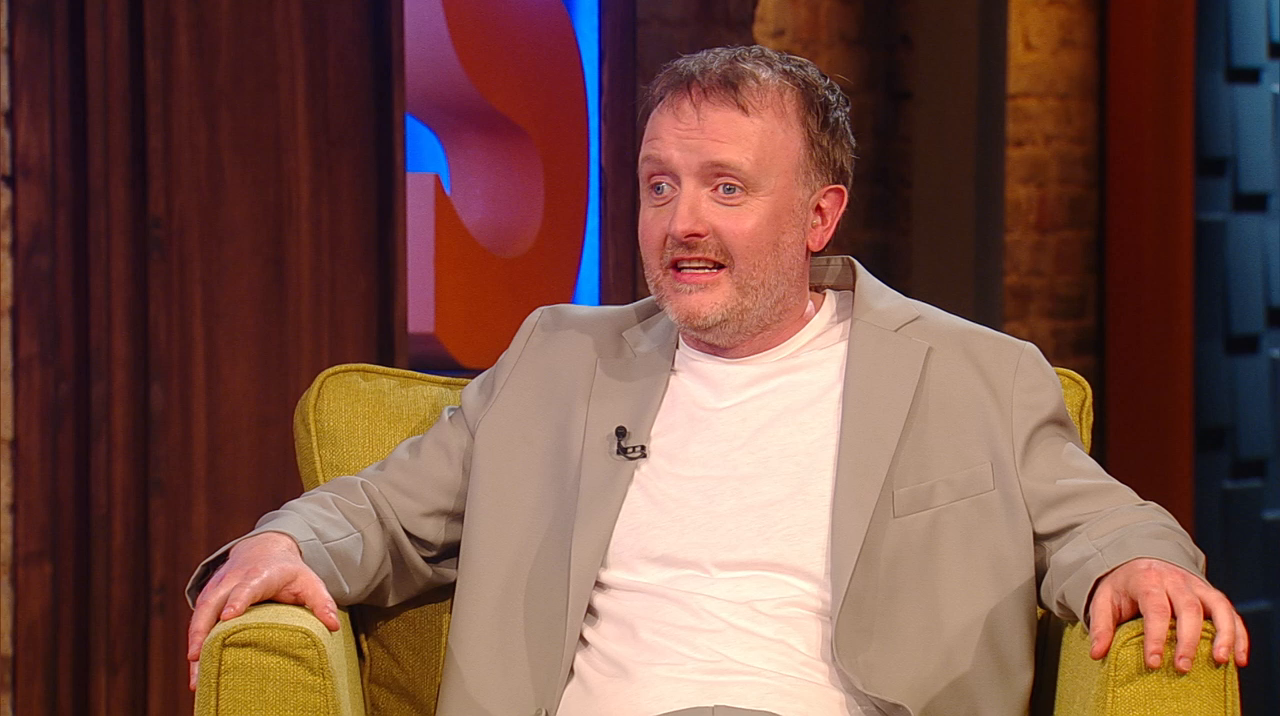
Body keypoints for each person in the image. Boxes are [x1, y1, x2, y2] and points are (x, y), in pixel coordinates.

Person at [186, 46, 1247, 715]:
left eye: (725, 188)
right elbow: (381, 511)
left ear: (819, 215)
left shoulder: (973, 373)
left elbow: (1103, 524)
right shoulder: (557, 361)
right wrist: (285, 543)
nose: (681, 222)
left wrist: (1139, 564)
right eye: (660, 186)